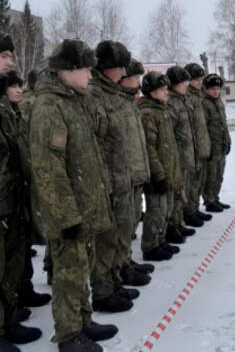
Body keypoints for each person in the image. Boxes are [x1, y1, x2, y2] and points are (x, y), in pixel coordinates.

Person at [29, 39, 117, 352]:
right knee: (68, 275)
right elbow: (48, 169)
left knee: (81, 269)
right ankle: (69, 336)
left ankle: (83, 322)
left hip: (83, 208)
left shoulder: (73, 101)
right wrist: (67, 217)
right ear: (69, 70)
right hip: (67, 214)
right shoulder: (50, 107)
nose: (91, 75)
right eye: (86, 69)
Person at [87, 41, 138, 315]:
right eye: (119, 66)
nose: (124, 71)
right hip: (106, 181)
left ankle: (115, 282)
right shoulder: (94, 95)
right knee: (105, 241)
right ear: (106, 68)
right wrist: (103, 182)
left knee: (119, 234)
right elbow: (95, 144)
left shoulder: (113, 94)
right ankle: (103, 291)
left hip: (120, 178)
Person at [0, 39, 43, 351]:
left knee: (12, 261)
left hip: (11, 199)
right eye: (3, 56)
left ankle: (8, 315)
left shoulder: (8, 109)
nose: (10, 61)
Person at [138, 71, 181, 262]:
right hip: (158, 172)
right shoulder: (147, 113)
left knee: (165, 208)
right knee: (155, 210)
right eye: (162, 89)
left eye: (166, 89)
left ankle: (160, 240)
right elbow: (150, 148)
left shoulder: (161, 110)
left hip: (168, 168)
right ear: (151, 91)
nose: (166, 93)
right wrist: (158, 174)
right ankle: (150, 245)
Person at [118, 60, 155, 278]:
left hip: (134, 172)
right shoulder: (117, 103)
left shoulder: (130, 103)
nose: (138, 82)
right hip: (123, 175)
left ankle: (126, 261)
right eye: (134, 78)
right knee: (121, 226)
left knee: (130, 221)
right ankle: (120, 267)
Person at [164, 66, 199, 243]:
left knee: (183, 192)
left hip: (186, 155)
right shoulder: (171, 103)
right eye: (183, 82)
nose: (187, 85)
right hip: (177, 156)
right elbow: (168, 133)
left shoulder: (182, 100)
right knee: (177, 194)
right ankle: (171, 226)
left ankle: (178, 223)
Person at [183, 63, 212, 226]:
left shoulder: (201, 95)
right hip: (192, 147)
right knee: (192, 183)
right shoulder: (187, 97)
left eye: (201, 79)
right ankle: (189, 211)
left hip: (202, 145)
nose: (200, 82)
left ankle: (195, 208)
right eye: (196, 79)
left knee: (199, 181)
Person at [202, 74, 231, 213]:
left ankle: (216, 197)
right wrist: (207, 147)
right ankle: (209, 200)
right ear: (207, 89)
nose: (215, 91)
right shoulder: (204, 104)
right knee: (211, 175)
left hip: (221, 145)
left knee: (219, 175)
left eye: (218, 88)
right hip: (212, 147)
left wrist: (228, 141)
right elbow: (203, 128)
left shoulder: (219, 102)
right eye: (212, 88)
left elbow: (223, 124)